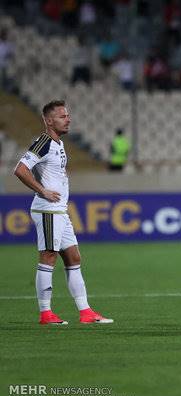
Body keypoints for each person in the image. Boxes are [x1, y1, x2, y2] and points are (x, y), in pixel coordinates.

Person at [13, 100, 113, 325]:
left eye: (67, 115)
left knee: (73, 257)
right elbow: (20, 170)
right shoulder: (44, 142)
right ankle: (46, 313)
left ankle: (86, 312)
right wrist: (43, 191)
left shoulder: (58, 143)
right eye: (62, 116)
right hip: (48, 210)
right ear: (48, 120)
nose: (68, 119)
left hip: (60, 211)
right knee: (48, 257)